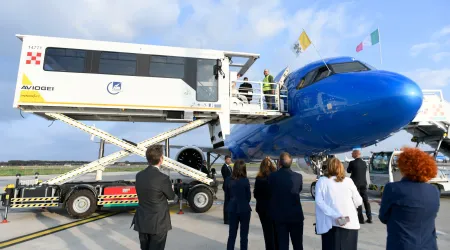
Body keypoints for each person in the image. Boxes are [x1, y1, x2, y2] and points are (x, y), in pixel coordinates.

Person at [379, 147, 440, 250]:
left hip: (402, 245)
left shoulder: (392, 188)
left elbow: (383, 217)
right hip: (429, 245)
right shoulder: (434, 190)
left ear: (404, 167)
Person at [131, 145, 176, 250]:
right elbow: (171, 196)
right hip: (157, 223)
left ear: (148, 159)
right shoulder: (163, 178)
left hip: (142, 221)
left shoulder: (139, 175)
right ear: (161, 159)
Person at [315, 158, 363, 250]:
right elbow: (359, 201)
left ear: (328, 168)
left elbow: (319, 201)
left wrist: (336, 216)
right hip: (349, 223)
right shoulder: (349, 181)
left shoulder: (322, 181)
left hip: (331, 224)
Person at [268, 152, 304, 250]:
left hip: (280, 217)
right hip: (296, 216)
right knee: (298, 245)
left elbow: (270, 191)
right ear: (291, 163)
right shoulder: (298, 177)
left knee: (282, 245)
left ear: (279, 162)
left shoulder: (272, 176)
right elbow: (298, 190)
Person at [225, 160, 252, 250]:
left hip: (232, 208)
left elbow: (227, 195)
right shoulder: (245, 180)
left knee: (232, 235)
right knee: (244, 236)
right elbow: (248, 197)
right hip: (244, 209)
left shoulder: (228, 180)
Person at [254, 158, 278, 250]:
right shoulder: (275, 177)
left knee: (267, 233)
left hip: (263, 209)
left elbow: (256, 194)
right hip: (275, 208)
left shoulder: (259, 178)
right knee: (276, 232)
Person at [347, 149, 372, 223]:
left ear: (355, 154)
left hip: (355, 185)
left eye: (352, 153)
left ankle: (361, 219)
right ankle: (369, 218)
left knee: (358, 202)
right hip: (363, 184)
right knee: (366, 201)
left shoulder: (352, 162)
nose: (351, 155)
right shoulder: (364, 163)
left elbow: (348, 171)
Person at [221, 155, 233, 224]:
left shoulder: (229, 167)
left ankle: (228, 217)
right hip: (227, 186)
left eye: (230, 159)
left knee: (229, 202)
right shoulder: (224, 167)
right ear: (225, 160)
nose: (230, 161)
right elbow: (226, 178)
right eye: (228, 159)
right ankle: (226, 219)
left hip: (230, 186)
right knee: (227, 203)